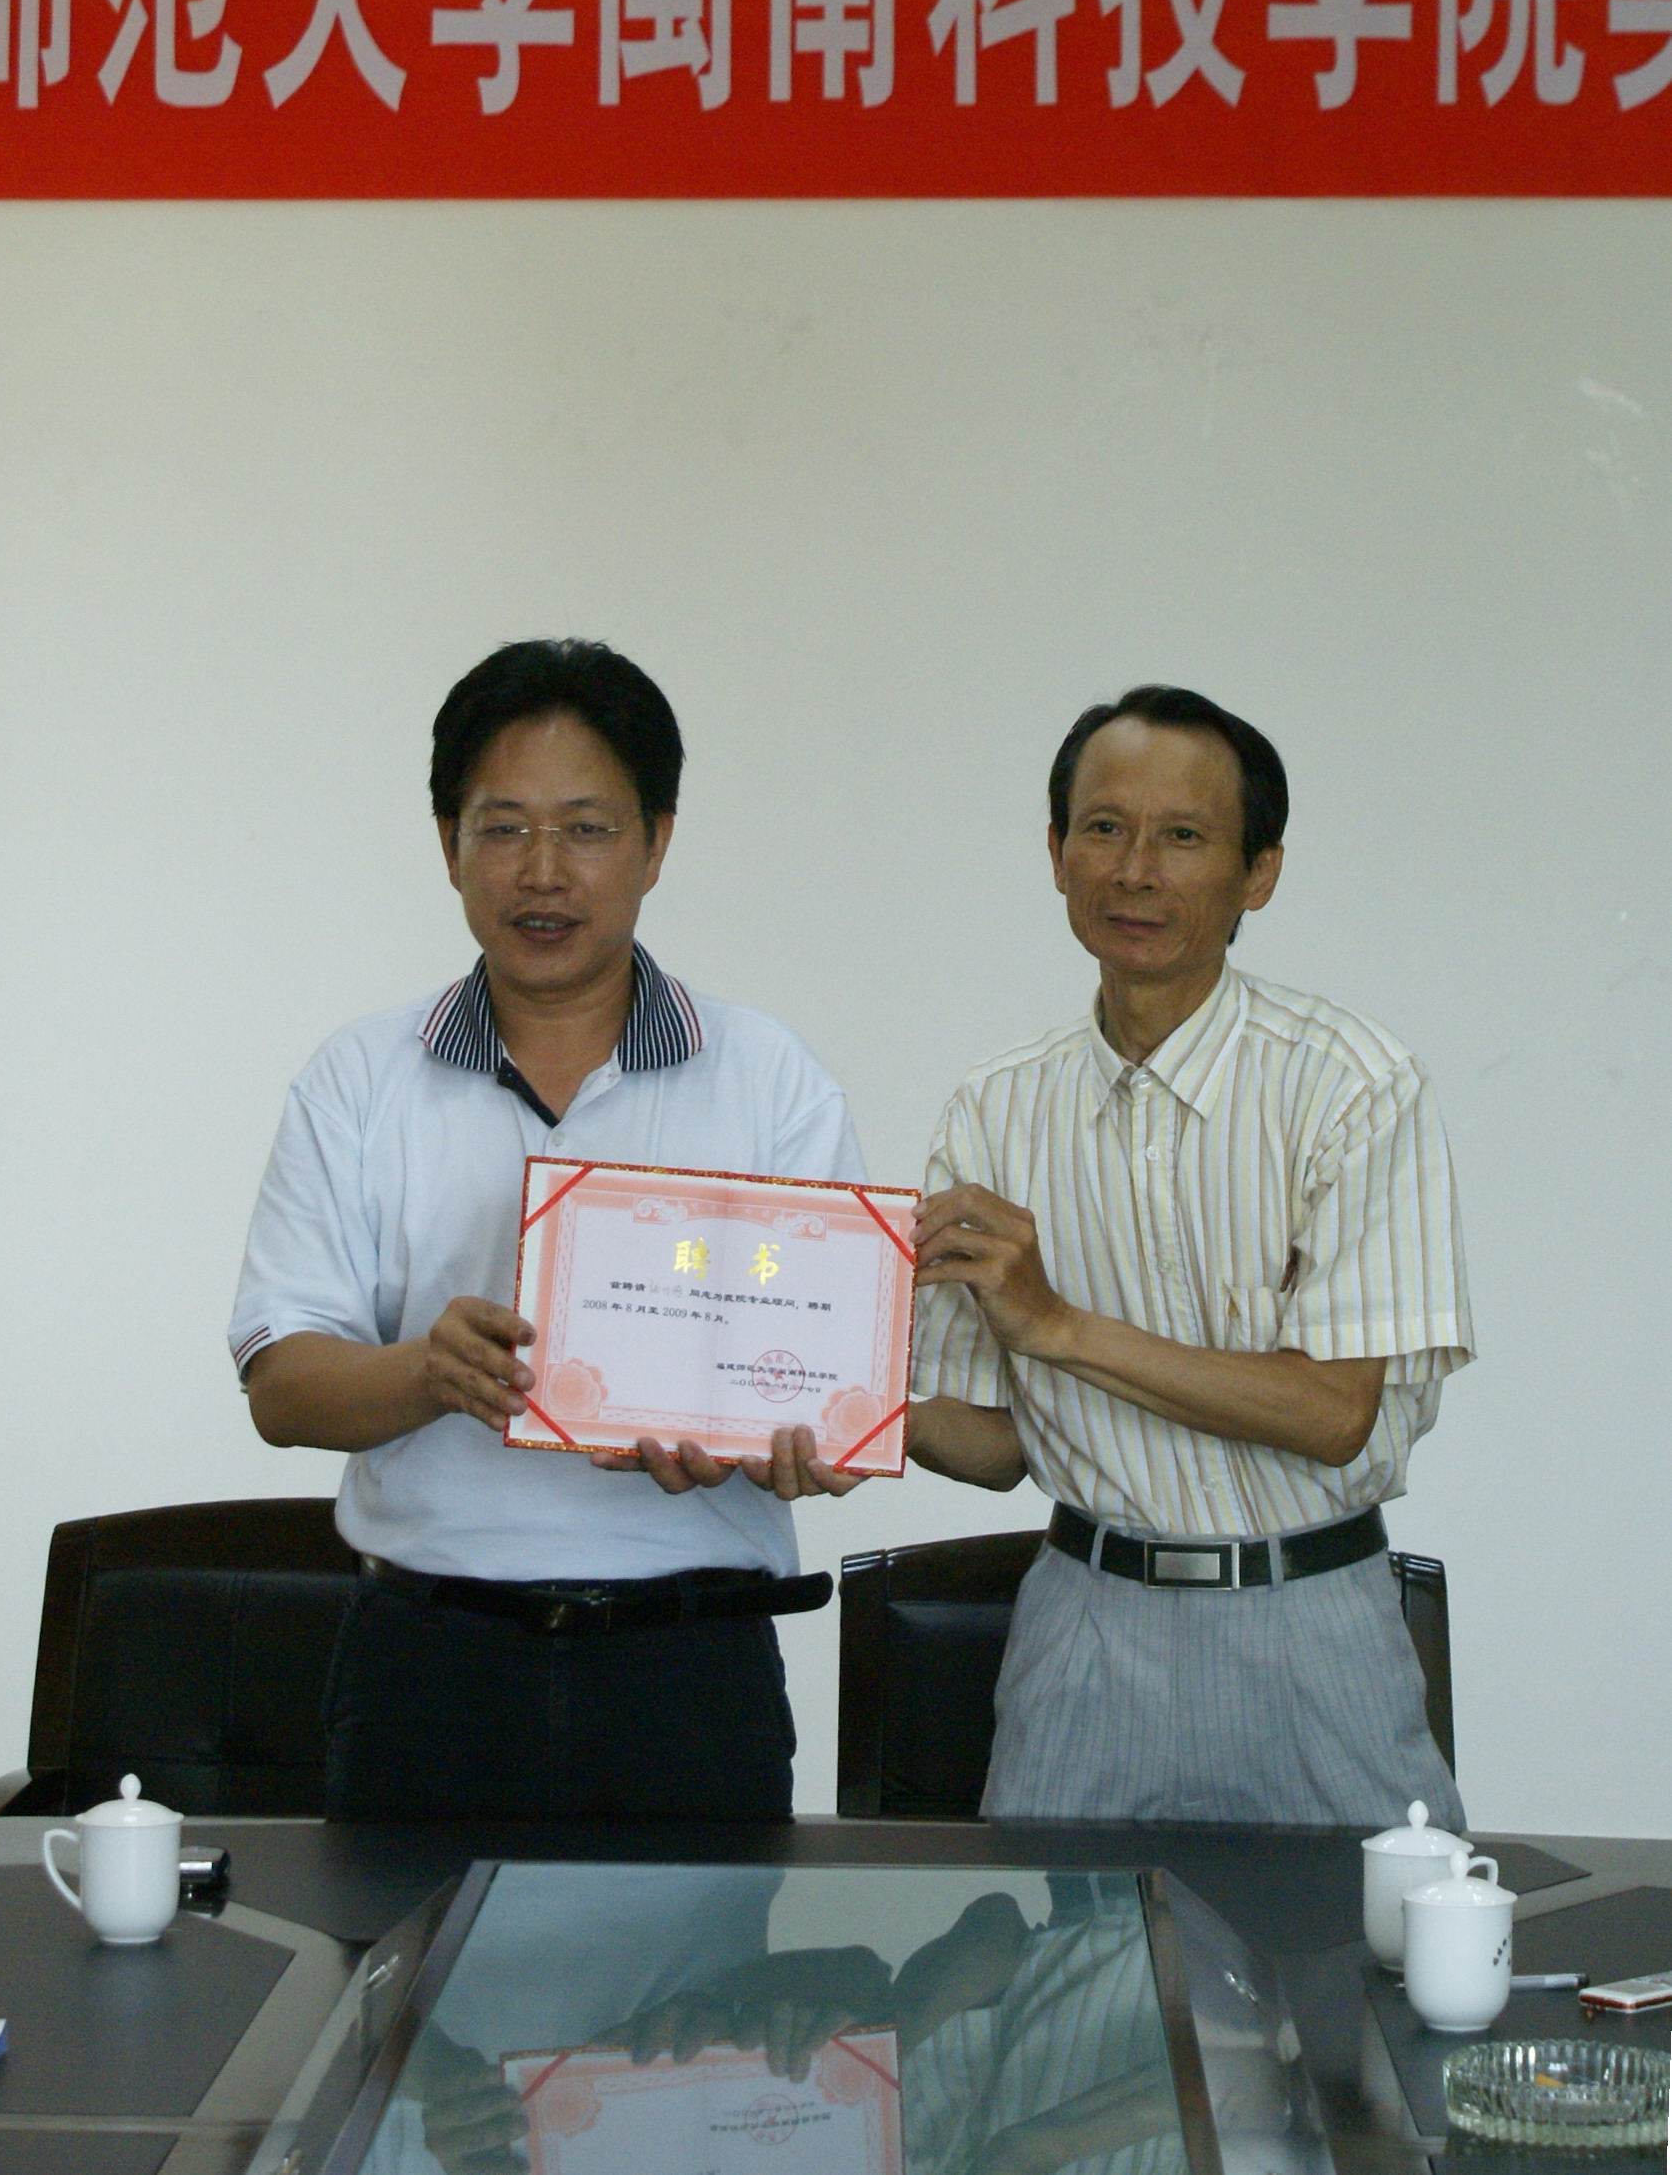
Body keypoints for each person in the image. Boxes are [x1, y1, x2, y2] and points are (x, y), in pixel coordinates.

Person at [229, 638, 861, 1822]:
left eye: (586, 829)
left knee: (703, 1956)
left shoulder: (766, 1077)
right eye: (504, 827)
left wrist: (774, 1436)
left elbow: (826, 1383)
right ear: (448, 845)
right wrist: (430, 1372)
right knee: (405, 1954)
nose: (543, 872)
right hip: (432, 1668)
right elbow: (282, 1388)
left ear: (656, 843)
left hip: (688, 1672)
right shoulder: (359, 1079)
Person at [907, 684, 1473, 1829]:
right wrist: (798, 1407)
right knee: (1059, 1951)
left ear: (1257, 874)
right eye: (1103, 828)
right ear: (1055, 853)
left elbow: (1333, 1413)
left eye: (1181, 836)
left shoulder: (1349, 1085)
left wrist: (1058, 1326)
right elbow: (994, 1442)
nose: (1133, 871)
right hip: (1084, 1624)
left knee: (1364, 1945)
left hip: (1310, 1616)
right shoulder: (994, 1109)